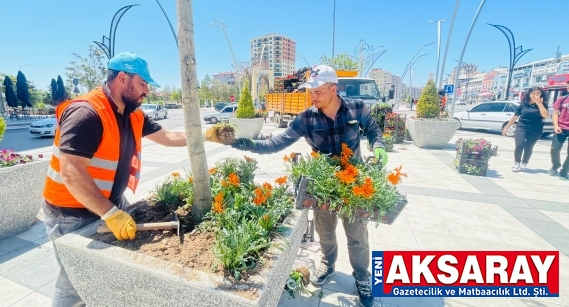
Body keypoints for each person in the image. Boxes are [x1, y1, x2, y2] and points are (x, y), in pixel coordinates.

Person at [42, 52, 196, 307]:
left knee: (103, 273)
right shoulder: (86, 113)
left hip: (109, 203)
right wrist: (111, 214)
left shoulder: (133, 113)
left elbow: (167, 136)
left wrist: (205, 136)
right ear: (122, 78)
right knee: (74, 284)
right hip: (71, 213)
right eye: (143, 83)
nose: (147, 90)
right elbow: (71, 173)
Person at [228, 65, 387, 307]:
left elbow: (374, 130)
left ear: (333, 89)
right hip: (322, 184)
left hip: (354, 183)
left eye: (318, 91)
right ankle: (328, 263)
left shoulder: (356, 108)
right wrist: (245, 143)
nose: (312, 95)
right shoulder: (307, 118)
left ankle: (362, 276)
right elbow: (278, 142)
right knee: (325, 230)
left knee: (357, 234)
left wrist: (379, 148)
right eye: (310, 91)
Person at [503, 86, 549, 172]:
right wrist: (507, 127)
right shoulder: (523, 104)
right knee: (519, 144)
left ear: (541, 94)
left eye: (538, 93)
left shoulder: (543, 104)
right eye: (533, 93)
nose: (535, 95)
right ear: (529, 94)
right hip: (522, 126)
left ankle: (524, 163)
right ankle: (517, 162)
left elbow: (545, 115)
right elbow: (515, 116)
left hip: (536, 128)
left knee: (529, 146)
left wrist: (539, 104)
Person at [549, 82, 569, 180]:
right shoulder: (562, 99)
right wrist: (556, 125)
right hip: (561, 127)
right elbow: (555, 113)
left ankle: (564, 171)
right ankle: (555, 165)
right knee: (554, 148)